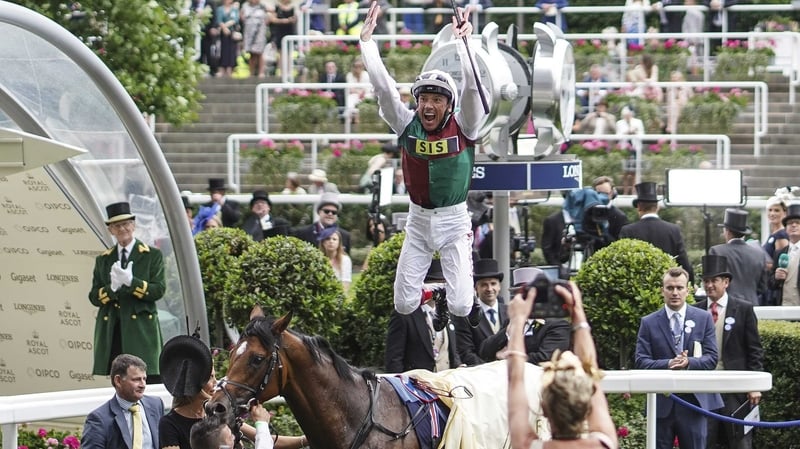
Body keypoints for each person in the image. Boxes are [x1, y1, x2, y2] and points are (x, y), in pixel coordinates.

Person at [360, 1, 486, 330]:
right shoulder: (406, 124)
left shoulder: (466, 126)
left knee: (461, 306)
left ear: (449, 105)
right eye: (423, 99)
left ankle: (449, 297)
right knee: (403, 304)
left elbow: (473, 89)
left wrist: (464, 43)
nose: (428, 105)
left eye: (437, 99)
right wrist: (367, 44)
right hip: (417, 222)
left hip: (454, 222)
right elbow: (384, 89)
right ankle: (433, 294)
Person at [507, 280, 616, 449]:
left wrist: (518, 320)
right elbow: (591, 368)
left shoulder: (528, 445)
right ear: (587, 408)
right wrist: (577, 311)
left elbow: (515, 379)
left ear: (543, 408)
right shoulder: (604, 444)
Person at [635, 267, 723, 449]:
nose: (675, 292)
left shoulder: (704, 318)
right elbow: (641, 361)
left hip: (694, 402)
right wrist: (668, 363)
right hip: (661, 405)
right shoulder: (648, 322)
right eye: (670, 288)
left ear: (688, 290)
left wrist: (689, 362)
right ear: (662, 290)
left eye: (679, 288)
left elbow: (712, 358)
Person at [89, 202, 165, 382]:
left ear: (134, 225)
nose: (122, 229)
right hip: (114, 329)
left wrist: (132, 282)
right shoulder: (104, 259)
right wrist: (112, 288)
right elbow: (93, 296)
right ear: (110, 230)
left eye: (126, 224)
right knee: (120, 381)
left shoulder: (151, 255)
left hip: (141, 330)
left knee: (146, 379)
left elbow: (158, 290)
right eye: (116, 226)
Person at [693, 255, 764, 449]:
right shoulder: (695, 311)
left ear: (726, 282)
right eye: (706, 281)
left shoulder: (743, 309)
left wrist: (753, 384)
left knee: (740, 443)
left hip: (735, 389)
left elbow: (754, 350)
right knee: (702, 442)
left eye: (714, 280)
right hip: (703, 390)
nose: (709, 285)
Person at [479, 267, 571, 364]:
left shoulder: (557, 324)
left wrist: (508, 356)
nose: (523, 299)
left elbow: (546, 357)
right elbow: (484, 351)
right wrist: (508, 330)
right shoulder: (510, 320)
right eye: (519, 295)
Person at [385, 260, 463, 373]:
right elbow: (394, 359)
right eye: (434, 283)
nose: (440, 288)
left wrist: (458, 366)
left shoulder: (448, 312)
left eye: (443, 283)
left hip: (446, 384)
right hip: (416, 386)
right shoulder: (404, 315)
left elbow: (451, 351)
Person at [81, 354, 165, 449]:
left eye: (144, 379)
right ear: (118, 381)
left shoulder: (156, 404)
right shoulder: (99, 419)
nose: (143, 385)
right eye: (136, 379)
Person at [619, 182, 695, 283]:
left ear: (639, 207)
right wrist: (690, 285)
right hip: (668, 286)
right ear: (657, 207)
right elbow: (683, 262)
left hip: (638, 288)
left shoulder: (628, 231)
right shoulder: (673, 230)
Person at [454, 259, 508, 366]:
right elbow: (466, 353)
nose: (489, 289)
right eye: (484, 285)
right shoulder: (466, 316)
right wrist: (489, 370)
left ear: (499, 286)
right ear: (476, 288)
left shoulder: (510, 312)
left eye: (493, 283)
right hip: (480, 375)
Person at [709, 209, 768, 305]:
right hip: (751, 305)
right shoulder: (759, 254)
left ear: (727, 231)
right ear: (744, 233)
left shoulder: (716, 251)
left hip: (727, 305)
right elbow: (763, 287)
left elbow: (713, 283)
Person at [769, 203, 800, 306]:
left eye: (797, 223)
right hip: (783, 307)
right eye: (790, 223)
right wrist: (776, 277)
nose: (794, 225)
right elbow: (770, 284)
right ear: (786, 228)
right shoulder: (779, 253)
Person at [318, 227, 353, 293]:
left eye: (334, 239)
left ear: (339, 243)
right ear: (323, 242)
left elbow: (345, 284)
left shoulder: (345, 260)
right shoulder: (318, 259)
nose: (331, 241)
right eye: (328, 239)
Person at [268, 0, 297, 75]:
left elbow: (296, 18)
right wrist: (285, 21)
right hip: (280, 32)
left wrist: (292, 20)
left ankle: (289, 71)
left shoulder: (293, 8)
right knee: (280, 53)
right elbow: (272, 19)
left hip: (289, 31)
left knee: (289, 53)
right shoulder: (277, 7)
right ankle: (281, 71)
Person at [241, 0, 269, 78]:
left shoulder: (262, 6)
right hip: (249, 32)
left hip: (260, 31)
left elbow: (268, 17)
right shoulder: (245, 6)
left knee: (259, 52)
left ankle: (261, 72)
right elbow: (242, 17)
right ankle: (251, 73)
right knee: (251, 53)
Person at [215, 0, 241, 77]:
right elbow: (219, 20)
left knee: (232, 51)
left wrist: (226, 27)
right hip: (223, 34)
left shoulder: (234, 9)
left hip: (232, 33)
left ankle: (230, 69)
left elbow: (235, 20)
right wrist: (224, 28)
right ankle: (222, 68)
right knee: (223, 51)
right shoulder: (220, 9)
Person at [345, 58, 374, 124]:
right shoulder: (349, 75)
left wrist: (361, 93)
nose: (358, 68)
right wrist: (358, 92)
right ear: (353, 67)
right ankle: (348, 122)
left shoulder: (366, 74)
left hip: (365, 94)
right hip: (354, 94)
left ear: (363, 67)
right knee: (350, 99)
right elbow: (351, 88)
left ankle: (357, 120)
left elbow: (367, 88)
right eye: (356, 66)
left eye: (360, 66)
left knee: (367, 97)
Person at [762, 194, 789, 262]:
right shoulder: (774, 233)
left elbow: (780, 262)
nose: (772, 213)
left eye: (776, 210)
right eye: (770, 210)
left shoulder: (781, 235)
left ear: (785, 213)